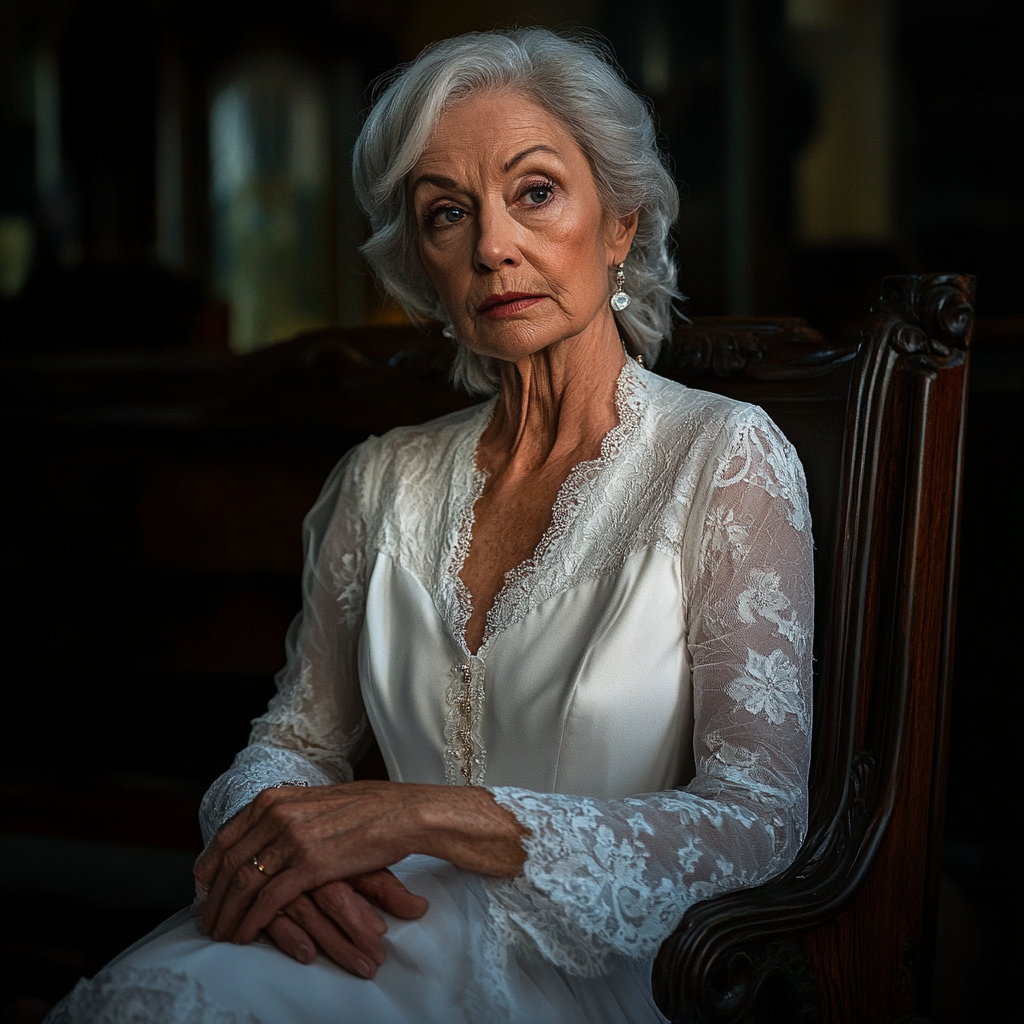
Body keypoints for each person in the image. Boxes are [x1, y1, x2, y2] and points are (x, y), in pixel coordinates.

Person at [47, 27, 813, 1024]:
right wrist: (282, 845)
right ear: (424, 262)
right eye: (447, 213)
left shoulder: (724, 457)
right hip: (367, 926)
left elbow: (756, 825)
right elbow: (293, 740)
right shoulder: (380, 479)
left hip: (592, 965)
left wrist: (421, 814)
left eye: (534, 192)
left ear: (619, 221)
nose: (493, 244)